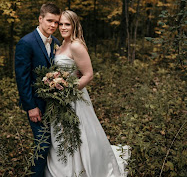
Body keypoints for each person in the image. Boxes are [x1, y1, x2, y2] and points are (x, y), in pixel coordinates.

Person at [45, 10, 130, 177]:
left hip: (73, 98)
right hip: (58, 100)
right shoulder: (60, 44)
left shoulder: (76, 45)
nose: (62, 27)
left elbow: (88, 74)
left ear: (74, 25)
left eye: (67, 24)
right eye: (60, 24)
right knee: (61, 137)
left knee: (79, 136)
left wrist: (68, 90)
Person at [15, 3, 61, 177]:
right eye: (50, 21)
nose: (53, 25)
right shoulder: (26, 43)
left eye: (56, 22)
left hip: (53, 104)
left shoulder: (56, 42)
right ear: (40, 19)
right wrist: (30, 107)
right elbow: (22, 78)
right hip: (36, 104)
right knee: (43, 144)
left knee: (54, 144)